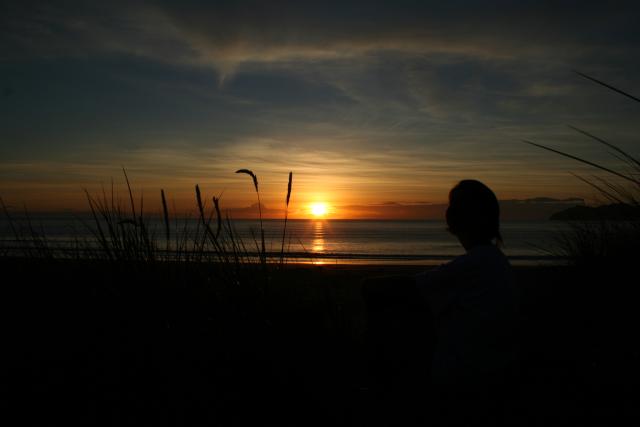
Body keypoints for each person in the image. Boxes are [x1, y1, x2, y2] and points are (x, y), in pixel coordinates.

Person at [362, 179, 519, 424]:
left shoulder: (476, 263)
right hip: (488, 373)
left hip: (465, 380)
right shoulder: (494, 261)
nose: (449, 213)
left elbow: (412, 286)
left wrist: (368, 285)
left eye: (454, 207)